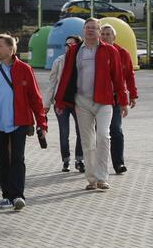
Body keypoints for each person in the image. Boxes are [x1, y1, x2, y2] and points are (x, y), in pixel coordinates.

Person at [0, 34, 47, 211]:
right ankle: (6, 195)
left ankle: (18, 196)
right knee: (2, 160)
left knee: (17, 159)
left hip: (19, 122)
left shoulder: (24, 69)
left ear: (10, 48)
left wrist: (42, 124)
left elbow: (36, 98)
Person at [55, 19, 128, 191]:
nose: (90, 31)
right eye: (87, 28)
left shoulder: (109, 50)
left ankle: (103, 178)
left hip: (104, 101)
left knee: (103, 136)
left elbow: (118, 77)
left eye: (94, 28)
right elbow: (65, 77)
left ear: (99, 31)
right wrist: (60, 101)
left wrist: (123, 101)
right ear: (83, 30)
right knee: (87, 141)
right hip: (82, 101)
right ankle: (92, 179)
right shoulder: (74, 51)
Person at [100, 24, 137, 174]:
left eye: (108, 34)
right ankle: (89, 162)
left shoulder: (123, 53)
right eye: (103, 34)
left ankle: (118, 163)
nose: (105, 36)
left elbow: (129, 75)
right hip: (97, 99)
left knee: (116, 130)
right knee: (97, 133)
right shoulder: (95, 52)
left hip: (115, 98)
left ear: (114, 37)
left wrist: (132, 95)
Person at [44, 35, 84, 173]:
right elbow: (52, 82)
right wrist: (46, 104)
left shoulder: (81, 61)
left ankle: (80, 160)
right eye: (67, 45)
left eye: (72, 44)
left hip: (78, 101)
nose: (69, 47)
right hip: (61, 102)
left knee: (81, 131)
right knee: (64, 132)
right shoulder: (59, 61)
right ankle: (65, 160)